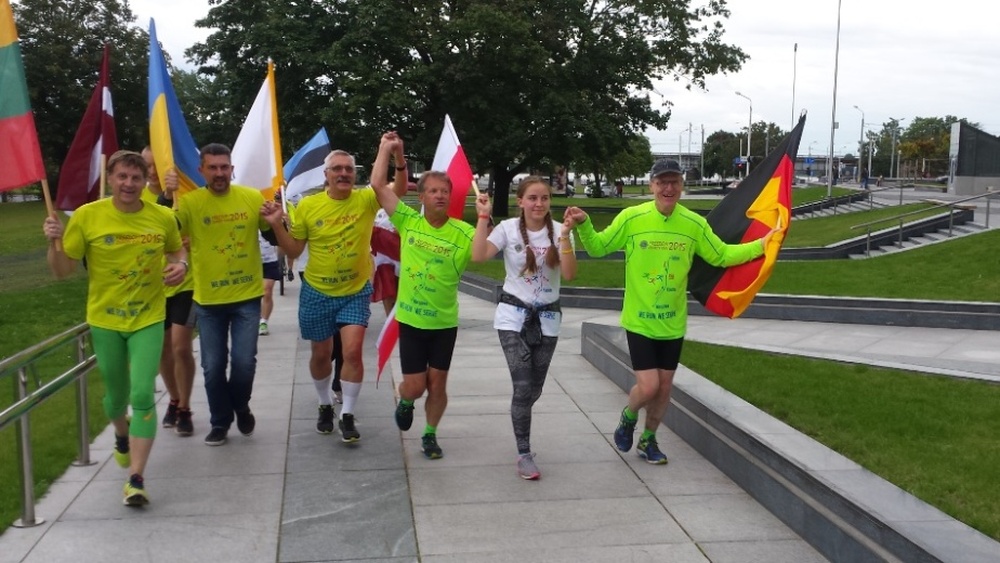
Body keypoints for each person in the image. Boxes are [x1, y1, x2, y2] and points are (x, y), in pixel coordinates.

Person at [564, 158, 780, 465]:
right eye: (662, 182)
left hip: (673, 323)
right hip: (639, 321)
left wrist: (762, 245)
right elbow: (598, 247)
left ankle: (648, 440)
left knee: (664, 388)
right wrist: (585, 224)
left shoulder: (693, 224)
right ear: (652, 185)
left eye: (674, 182)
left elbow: (721, 255)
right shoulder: (632, 218)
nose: (668, 188)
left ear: (681, 186)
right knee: (649, 385)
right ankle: (628, 416)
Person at [42, 150, 188, 505]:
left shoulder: (162, 216)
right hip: (105, 320)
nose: (129, 184)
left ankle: (136, 478)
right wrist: (53, 242)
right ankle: (121, 433)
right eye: (122, 177)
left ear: (144, 180)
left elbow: (177, 252)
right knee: (115, 398)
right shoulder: (89, 217)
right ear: (111, 178)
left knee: (141, 395)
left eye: (136, 178)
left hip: (148, 317)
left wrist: (180, 267)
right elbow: (62, 271)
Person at [263, 147, 408, 442]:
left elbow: (397, 188)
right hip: (317, 291)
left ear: (355, 175)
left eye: (349, 169)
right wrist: (277, 224)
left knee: (353, 351)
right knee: (321, 354)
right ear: (326, 175)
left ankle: (348, 414)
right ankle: (325, 403)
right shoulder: (307, 206)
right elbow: (294, 250)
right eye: (337, 169)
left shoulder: (366, 199)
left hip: (355, 290)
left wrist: (395, 157)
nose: (343, 173)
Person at [372, 132, 475, 460]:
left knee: (438, 384)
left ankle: (430, 434)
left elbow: (487, 249)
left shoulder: (463, 232)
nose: (440, 196)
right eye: (433, 191)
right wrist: (387, 151)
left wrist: (485, 217)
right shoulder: (409, 221)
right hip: (413, 320)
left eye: (445, 191)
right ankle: (405, 401)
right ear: (422, 197)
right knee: (415, 387)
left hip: (444, 323)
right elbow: (377, 186)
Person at [471, 176, 577, 479]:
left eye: (544, 198)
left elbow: (569, 275)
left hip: (548, 321)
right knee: (522, 386)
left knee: (534, 388)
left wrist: (567, 237)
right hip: (512, 318)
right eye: (532, 198)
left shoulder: (559, 231)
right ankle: (524, 452)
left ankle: (520, 417)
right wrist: (482, 217)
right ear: (520, 201)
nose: (539, 204)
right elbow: (478, 256)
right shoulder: (506, 229)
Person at [175, 143, 272, 446]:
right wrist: (166, 196)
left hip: (246, 296)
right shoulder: (190, 203)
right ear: (201, 170)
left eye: (224, 167)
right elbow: (164, 228)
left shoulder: (251, 197)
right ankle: (220, 422)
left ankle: (240, 406)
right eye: (213, 167)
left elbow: (271, 234)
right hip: (208, 301)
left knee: (244, 363)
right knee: (213, 366)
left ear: (232, 169)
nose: (219, 173)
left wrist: (275, 221)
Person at [144, 148, 197, 437]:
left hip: (185, 284)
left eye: (158, 165)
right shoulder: (134, 198)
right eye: (148, 165)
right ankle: (174, 399)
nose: (152, 170)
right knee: (162, 349)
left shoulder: (183, 197)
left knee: (180, 346)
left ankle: (186, 406)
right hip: (152, 287)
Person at [371, 207, 401, 316]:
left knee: (399, 287)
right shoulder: (374, 211)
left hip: (399, 253)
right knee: (387, 286)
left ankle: (397, 317)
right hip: (383, 257)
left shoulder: (400, 209)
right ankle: (390, 317)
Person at [258, 229, 281, 335]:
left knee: (267, 291)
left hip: (269, 261)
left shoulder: (267, 216)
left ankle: (264, 321)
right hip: (250, 262)